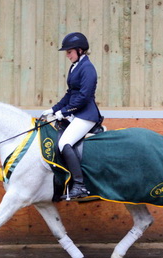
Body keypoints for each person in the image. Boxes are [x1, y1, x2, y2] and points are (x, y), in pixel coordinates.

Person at [42, 32, 102, 200]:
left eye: (69, 52)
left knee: (64, 143)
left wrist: (66, 111)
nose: (67, 55)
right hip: (76, 112)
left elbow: (83, 96)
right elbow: (70, 93)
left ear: (80, 50)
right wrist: (53, 109)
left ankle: (79, 185)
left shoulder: (88, 68)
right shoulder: (75, 66)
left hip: (86, 115)